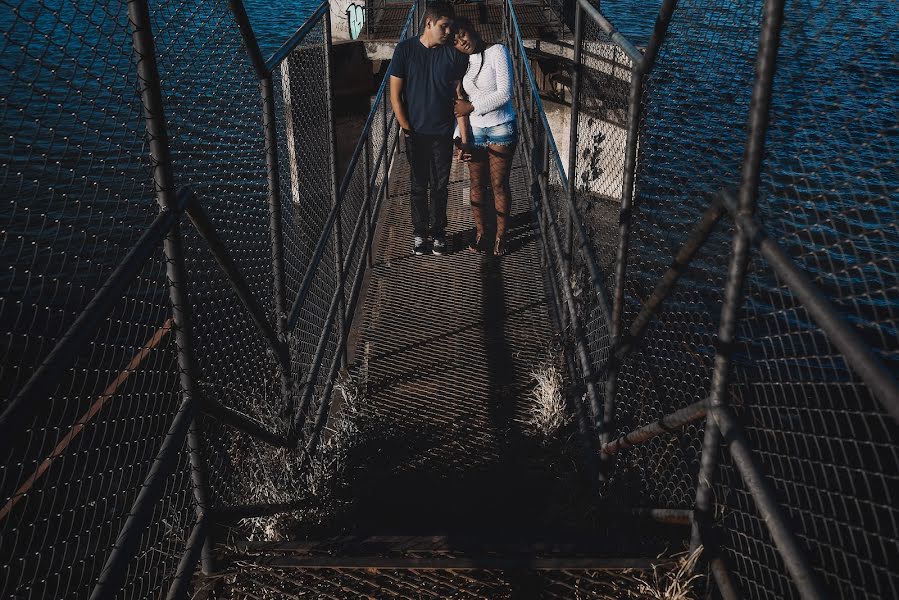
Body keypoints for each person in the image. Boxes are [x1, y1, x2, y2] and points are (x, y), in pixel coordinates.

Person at [389, 2, 469, 256]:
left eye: (451, 27)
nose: (448, 32)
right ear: (429, 23)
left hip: (443, 132)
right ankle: (419, 234)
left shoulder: (453, 55)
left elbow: (459, 93)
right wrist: (407, 128)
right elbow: (395, 96)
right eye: (444, 26)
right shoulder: (405, 50)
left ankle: (438, 233)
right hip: (416, 133)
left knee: (440, 186)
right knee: (417, 185)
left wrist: (462, 135)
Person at [452, 17, 517, 256]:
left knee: (499, 184)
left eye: (463, 35)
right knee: (477, 184)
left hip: (501, 126)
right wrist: (459, 136)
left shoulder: (498, 51)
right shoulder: (463, 63)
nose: (462, 42)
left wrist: (472, 107)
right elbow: (458, 103)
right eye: (456, 41)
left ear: (471, 29)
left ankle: (501, 237)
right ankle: (482, 234)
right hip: (476, 130)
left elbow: (504, 93)